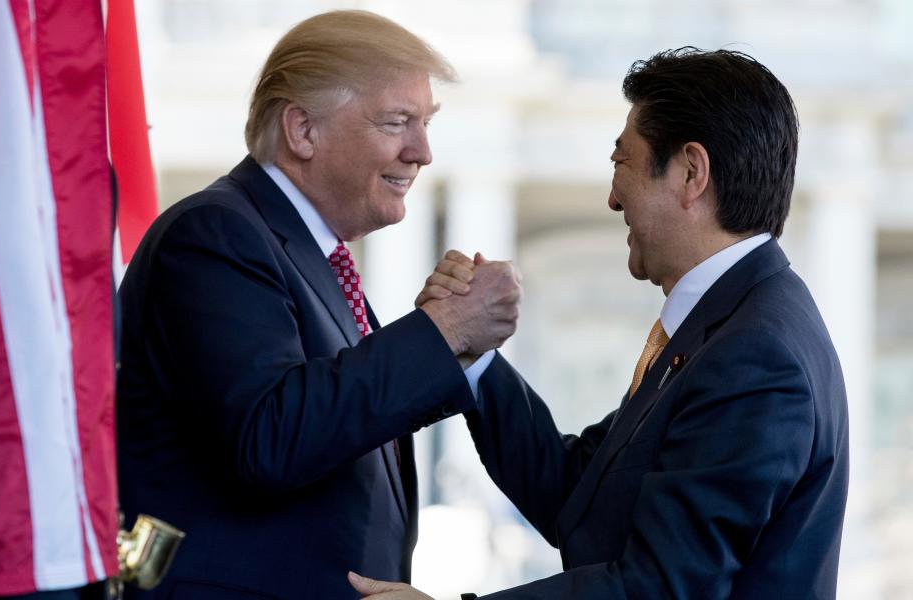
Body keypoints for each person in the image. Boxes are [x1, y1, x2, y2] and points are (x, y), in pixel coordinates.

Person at [350, 47, 849, 599]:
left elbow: (661, 586)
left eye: (622, 163)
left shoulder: (755, 352)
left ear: (690, 172)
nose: (613, 198)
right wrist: (471, 350)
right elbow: (580, 496)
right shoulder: (734, 321)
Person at [116, 10, 520, 599]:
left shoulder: (311, 257)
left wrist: (451, 345)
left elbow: (338, 419)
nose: (423, 151)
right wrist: (441, 331)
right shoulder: (214, 235)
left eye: (426, 122)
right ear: (302, 130)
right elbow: (268, 438)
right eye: (397, 121)